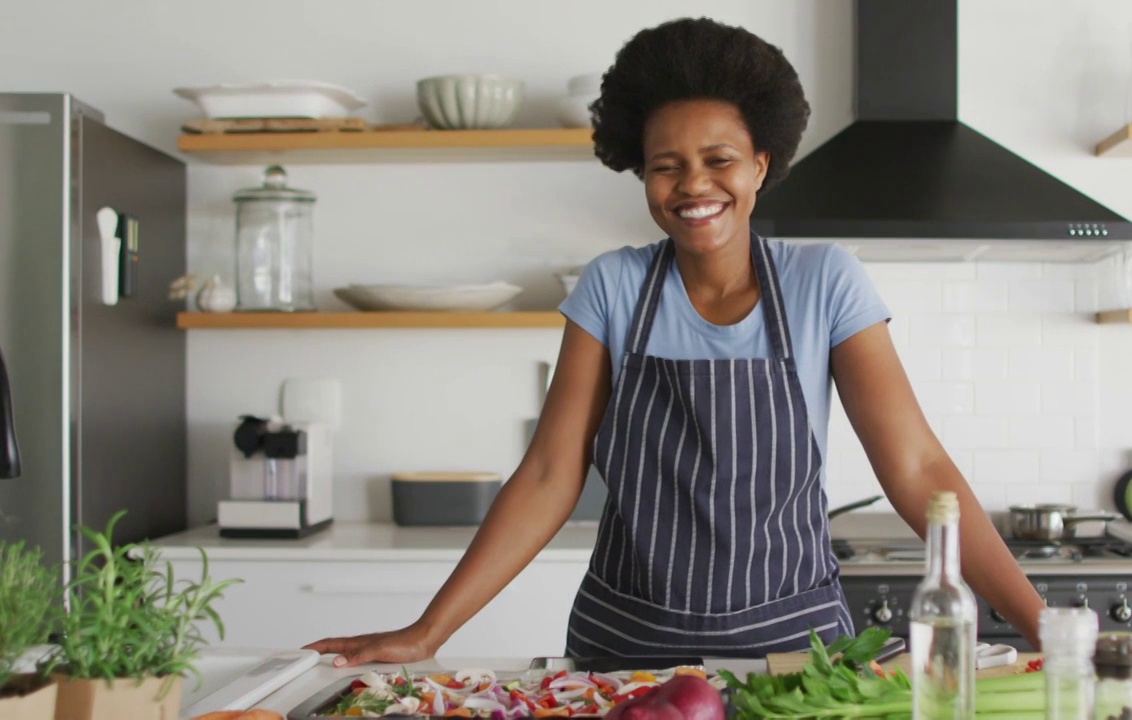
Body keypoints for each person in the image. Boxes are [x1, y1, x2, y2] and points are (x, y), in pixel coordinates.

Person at [305, 16, 1044, 665]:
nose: (694, 185)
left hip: (793, 647)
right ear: (642, 174)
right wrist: (429, 631)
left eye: (719, 160)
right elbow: (548, 476)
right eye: (667, 166)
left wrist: (1036, 622)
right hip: (627, 646)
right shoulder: (612, 288)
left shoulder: (826, 283)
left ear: (761, 164)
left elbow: (916, 466)